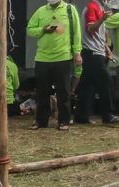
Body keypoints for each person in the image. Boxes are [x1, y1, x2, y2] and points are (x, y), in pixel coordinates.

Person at [27, 0, 83, 130]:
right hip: (42, 57)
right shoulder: (41, 11)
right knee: (42, 92)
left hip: (63, 56)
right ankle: (41, 121)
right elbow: (29, 30)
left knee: (63, 91)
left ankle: (63, 121)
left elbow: (76, 32)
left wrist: (77, 52)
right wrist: (43, 29)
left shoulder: (69, 9)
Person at [74, 0, 119, 123]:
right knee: (106, 83)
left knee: (87, 85)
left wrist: (106, 49)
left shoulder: (98, 7)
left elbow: (99, 34)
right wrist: (102, 19)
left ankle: (82, 115)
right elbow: (90, 29)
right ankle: (108, 114)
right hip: (92, 52)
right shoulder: (92, 7)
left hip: (94, 52)